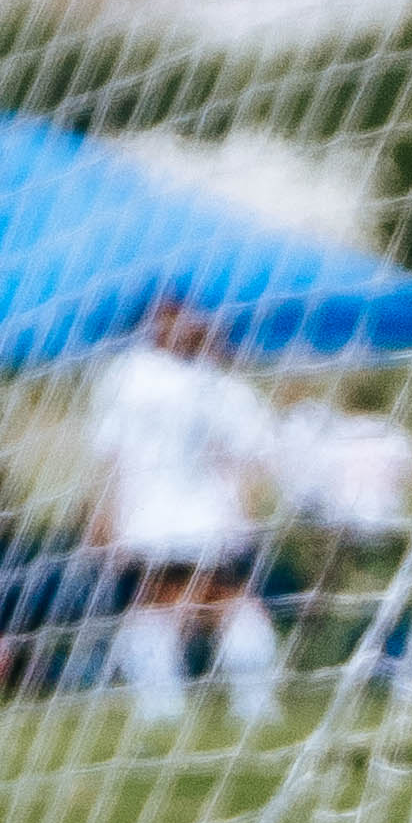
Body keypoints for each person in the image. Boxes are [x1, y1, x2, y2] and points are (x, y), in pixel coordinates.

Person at [89, 304, 280, 725]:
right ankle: (246, 705)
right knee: (220, 607)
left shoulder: (128, 375)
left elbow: (109, 457)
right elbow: (254, 460)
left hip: (159, 525)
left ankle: (168, 709)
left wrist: (103, 519)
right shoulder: (213, 383)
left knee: (174, 608)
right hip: (189, 524)